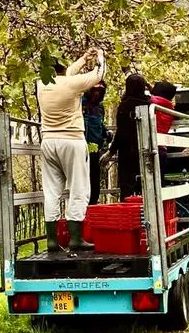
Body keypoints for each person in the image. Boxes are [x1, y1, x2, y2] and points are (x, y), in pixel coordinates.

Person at [36, 48, 106, 253]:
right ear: (62, 68)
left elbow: (67, 76)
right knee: (79, 189)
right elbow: (99, 75)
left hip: (48, 142)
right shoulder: (71, 84)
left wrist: (83, 59)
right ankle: (76, 238)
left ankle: (51, 240)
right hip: (72, 141)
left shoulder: (42, 85)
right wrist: (100, 56)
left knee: (51, 191)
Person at [104, 73, 150, 201]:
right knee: (147, 184)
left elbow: (121, 133)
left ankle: (129, 214)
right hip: (147, 149)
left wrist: (111, 151)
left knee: (127, 187)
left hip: (127, 152)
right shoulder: (149, 104)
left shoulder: (124, 105)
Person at [82, 81, 110, 204]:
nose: (97, 93)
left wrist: (106, 132)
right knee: (81, 177)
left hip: (94, 147)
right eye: (95, 89)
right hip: (81, 145)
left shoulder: (100, 108)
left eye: (100, 91)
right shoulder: (80, 103)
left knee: (94, 175)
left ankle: (93, 202)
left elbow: (98, 124)